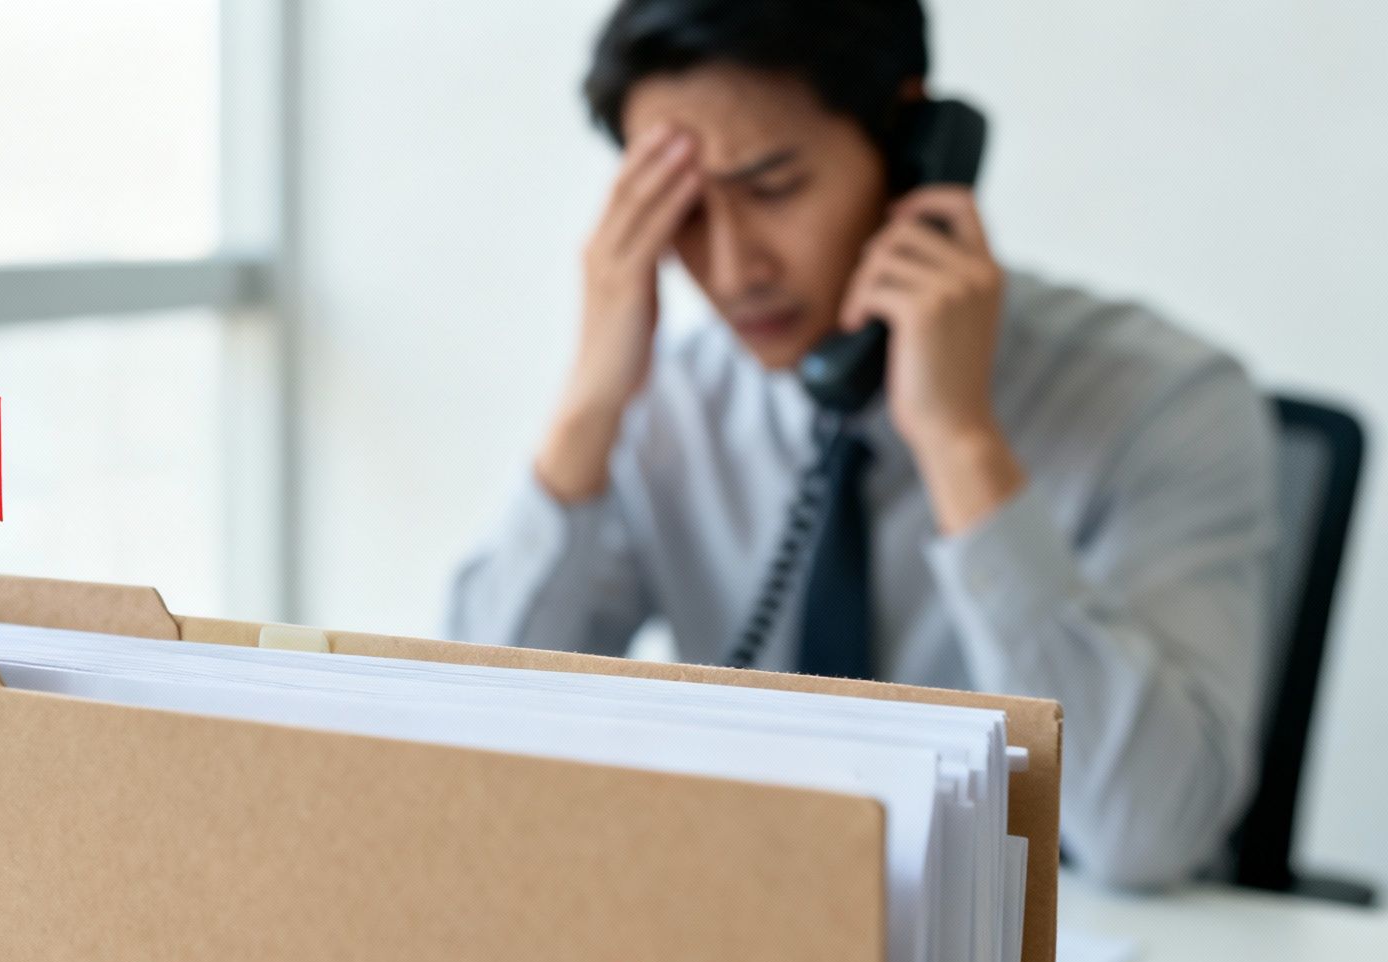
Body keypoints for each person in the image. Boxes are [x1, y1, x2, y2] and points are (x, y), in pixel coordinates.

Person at [445, 0, 1276, 888]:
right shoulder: (666, 406)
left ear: (909, 148)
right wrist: (584, 415)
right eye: (682, 215)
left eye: (773, 189)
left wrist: (960, 444)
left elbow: (1148, 835)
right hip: (754, 953)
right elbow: (464, 756)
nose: (733, 269)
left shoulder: (1165, 401)